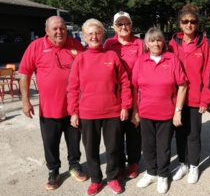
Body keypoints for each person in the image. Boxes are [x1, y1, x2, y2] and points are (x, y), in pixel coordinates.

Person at [18, 16, 87, 190]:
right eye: (55, 28)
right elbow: (24, 74)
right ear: (46, 31)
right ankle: (53, 171)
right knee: (50, 142)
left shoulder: (76, 45)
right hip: (50, 108)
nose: (59, 32)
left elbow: (88, 70)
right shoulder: (36, 46)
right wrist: (25, 101)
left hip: (74, 107)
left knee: (74, 139)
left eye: (62, 28)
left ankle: (74, 165)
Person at [67, 18, 132, 195]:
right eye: (90, 34)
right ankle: (96, 179)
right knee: (91, 149)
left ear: (103, 35)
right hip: (88, 112)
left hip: (112, 111)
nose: (94, 37)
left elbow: (124, 83)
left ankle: (111, 177)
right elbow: (72, 87)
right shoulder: (80, 59)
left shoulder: (112, 56)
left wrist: (125, 106)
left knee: (113, 148)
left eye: (97, 33)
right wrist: (73, 112)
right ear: (85, 37)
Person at [132, 27, 187, 194]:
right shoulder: (140, 61)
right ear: (146, 43)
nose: (156, 43)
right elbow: (134, 87)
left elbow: (182, 86)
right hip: (145, 112)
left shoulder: (172, 59)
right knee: (148, 145)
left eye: (158, 40)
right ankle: (151, 173)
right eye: (152, 40)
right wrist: (135, 111)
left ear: (163, 42)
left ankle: (163, 175)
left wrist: (178, 111)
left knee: (163, 147)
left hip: (166, 113)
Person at [168, 4, 210, 184]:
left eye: (192, 22)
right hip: (177, 99)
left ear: (197, 24)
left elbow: (207, 72)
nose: (189, 25)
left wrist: (205, 99)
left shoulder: (203, 43)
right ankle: (183, 163)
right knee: (180, 133)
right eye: (185, 21)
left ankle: (194, 166)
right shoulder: (172, 44)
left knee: (193, 134)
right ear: (180, 24)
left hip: (195, 98)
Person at [103, 11, 143, 179]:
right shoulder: (109, 44)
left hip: (136, 94)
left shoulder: (140, 44)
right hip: (114, 96)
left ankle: (133, 162)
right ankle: (119, 163)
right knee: (116, 132)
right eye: (119, 24)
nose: (123, 27)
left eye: (126, 23)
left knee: (134, 130)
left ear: (131, 25)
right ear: (114, 27)